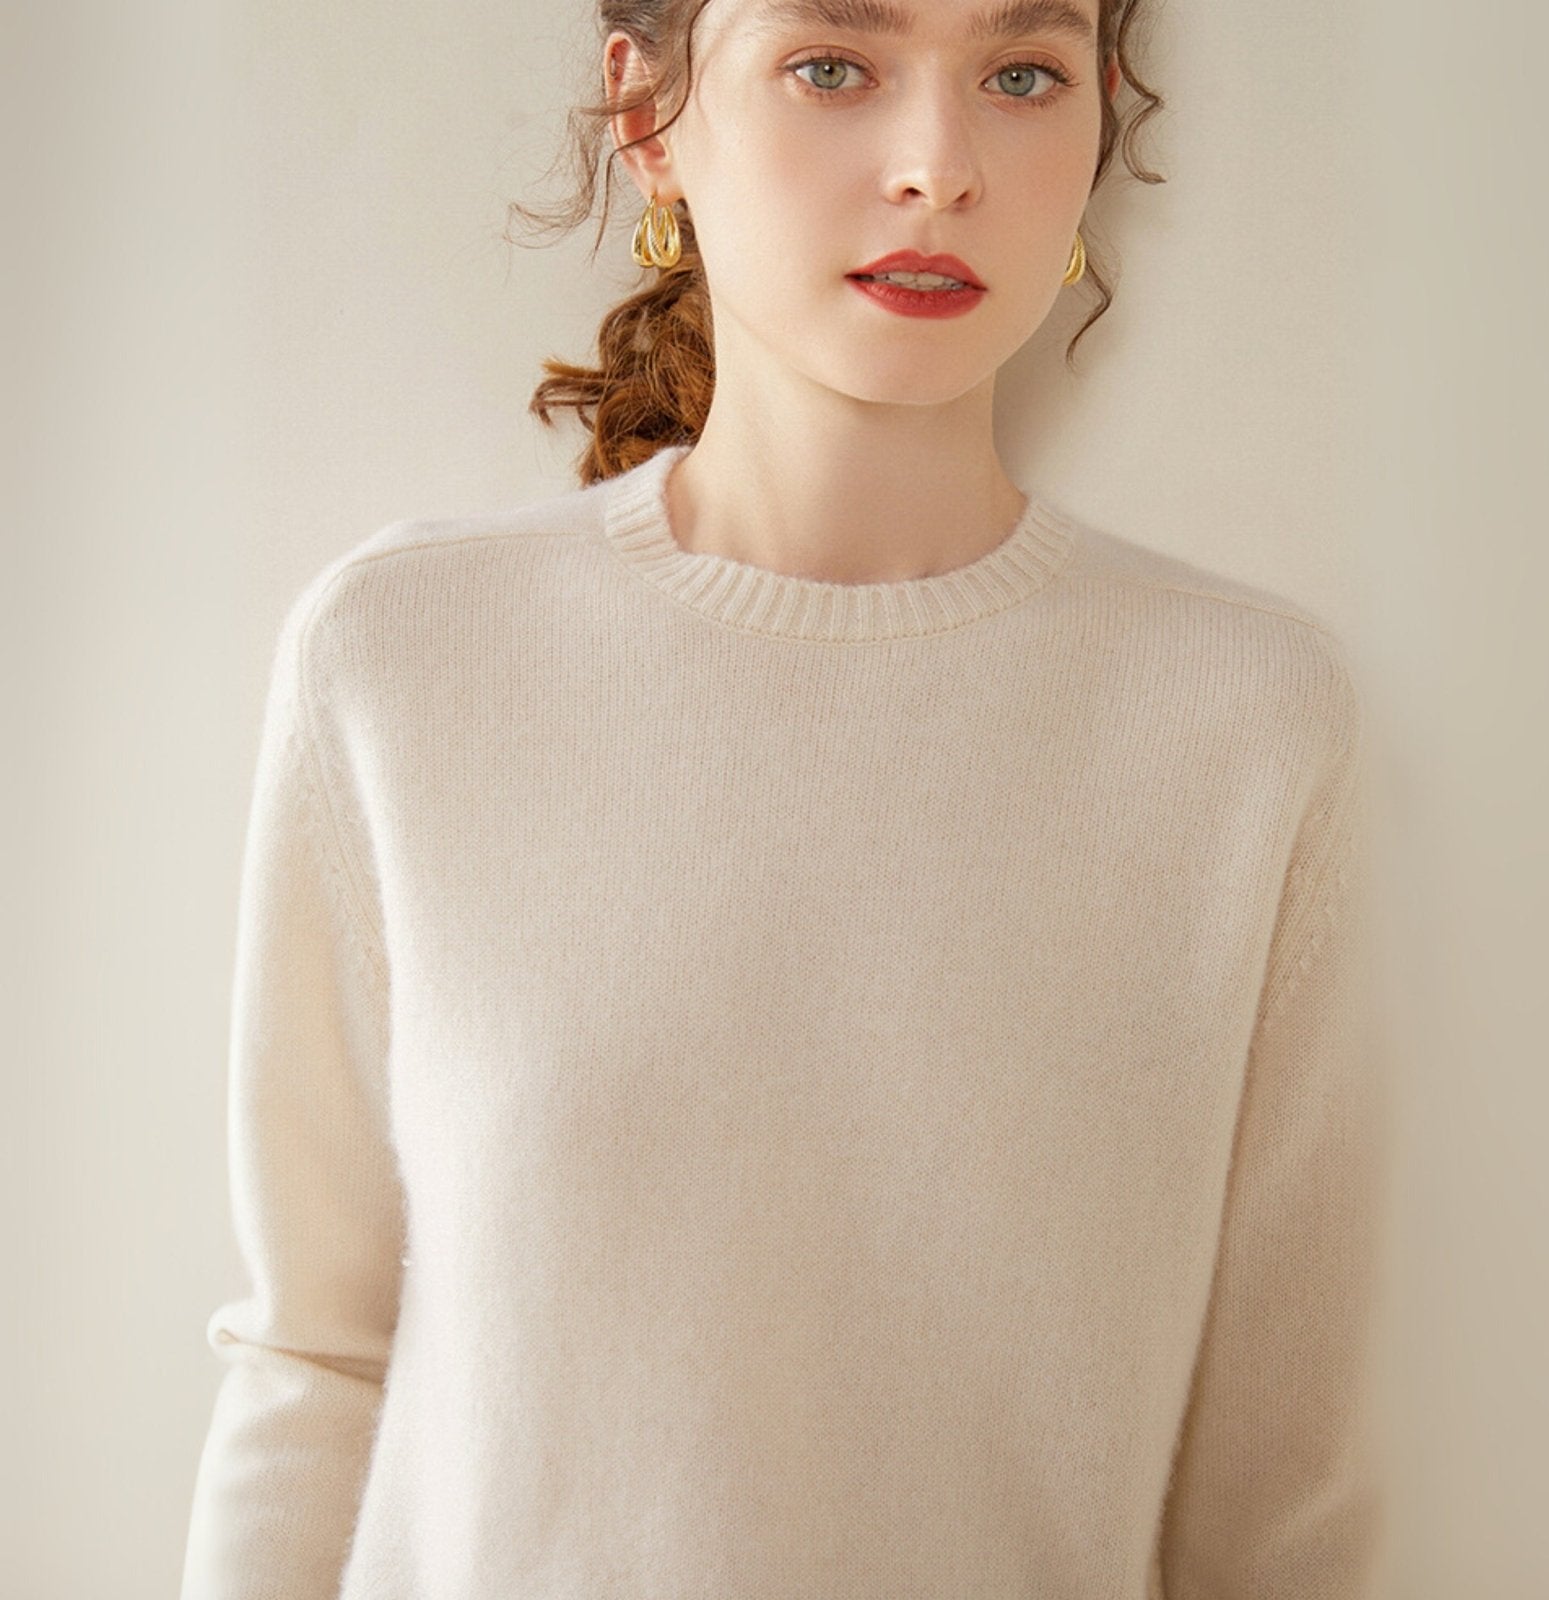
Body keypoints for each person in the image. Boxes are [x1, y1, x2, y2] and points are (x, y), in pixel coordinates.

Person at [180, 1, 1386, 1596]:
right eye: (834, 66)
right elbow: (316, 1364)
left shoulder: (1245, 720)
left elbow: (1277, 1504)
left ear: (1101, 116)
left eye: (1022, 75)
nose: (939, 166)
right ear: (648, 117)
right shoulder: (404, 660)